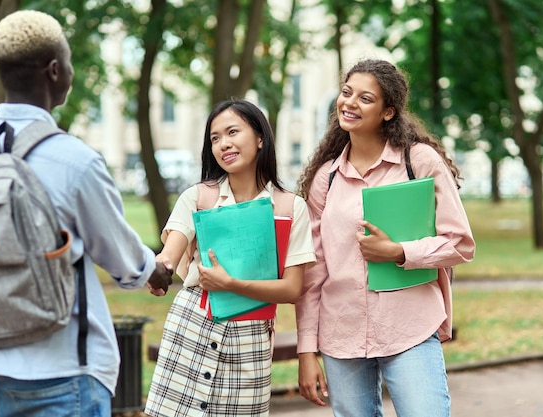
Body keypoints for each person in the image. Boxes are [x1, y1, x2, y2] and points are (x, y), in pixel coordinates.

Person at [0, 10, 172, 417]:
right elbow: (121, 258)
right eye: (69, 62)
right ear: (55, 70)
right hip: (62, 369)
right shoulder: (75, 162)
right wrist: (156, 271)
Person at [296, 59, 476, 417]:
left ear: (388, 112)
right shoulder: (325, 180)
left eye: (365, 98)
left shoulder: (418, 162)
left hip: (408, 325)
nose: (350, 103)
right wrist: (306, 351)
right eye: (347, 93)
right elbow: (313, 273)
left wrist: (399, 251)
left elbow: (460, 243)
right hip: (340, 333)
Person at [144, 99, 316, 417]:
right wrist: (159, 270)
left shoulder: (291, 208)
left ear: (260, 137)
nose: (224, 144)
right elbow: (171, 251)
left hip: (250, 340)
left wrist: (231, 283)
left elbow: (292, 289)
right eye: (215, 138)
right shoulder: (197, 197)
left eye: (232, 132)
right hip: (191, 329)